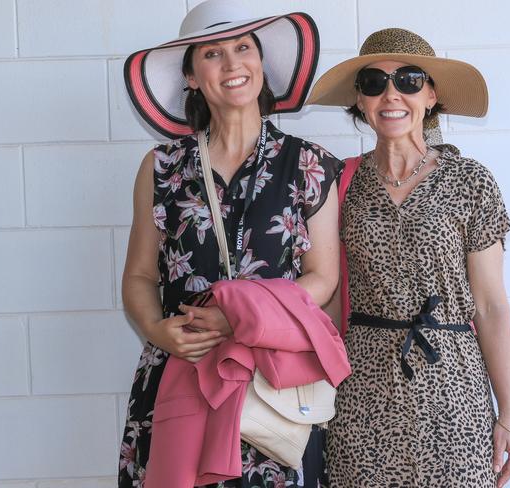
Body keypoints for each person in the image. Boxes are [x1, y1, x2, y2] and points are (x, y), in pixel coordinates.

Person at [118, 1, 342, 486]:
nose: (232, 64)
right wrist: (157, 330)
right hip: (182, 369)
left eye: (243, 48)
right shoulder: (160, 168)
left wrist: (240, 316)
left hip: (273, 387)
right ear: (192, 77)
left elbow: (323, 277)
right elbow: (138, 275)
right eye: (212, 54)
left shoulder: (311, 165)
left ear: (261, 63)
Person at [306, 28, 510, 487]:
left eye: (408, 80)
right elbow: (325, 298)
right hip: (361, 392)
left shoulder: (470, 181)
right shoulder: (338, 185)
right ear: (360, 101)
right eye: (374, 82)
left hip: (455, 391)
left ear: (431, 96)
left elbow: (491, 305)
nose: (391, 95)